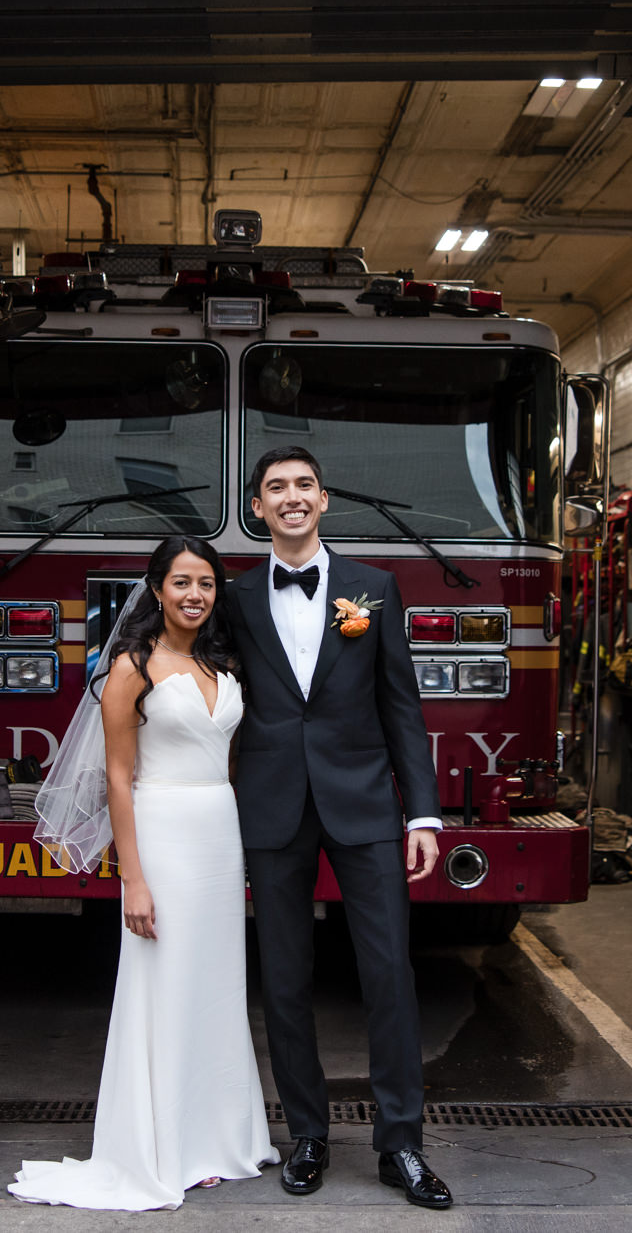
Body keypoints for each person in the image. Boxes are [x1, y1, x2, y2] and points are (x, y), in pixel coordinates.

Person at [10, 538, 276, 1211]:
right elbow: (120, 778)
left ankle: (213, 1137)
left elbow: (232, 757)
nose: (196, 594)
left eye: (207, 583)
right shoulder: (130, 666)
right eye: (182, 581)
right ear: (157, 588)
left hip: (219, 836)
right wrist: (133, 878)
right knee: (164, 982)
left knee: (214, 983)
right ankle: (160, 1146)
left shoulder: (221, 660)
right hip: (162, 833)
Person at [224, 448, 453, 1210]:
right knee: (285, 981)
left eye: (302, 487)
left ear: (323, 500)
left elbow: (402, 707)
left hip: (364, 805)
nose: (290, 499)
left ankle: (402, 1145)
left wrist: (421, 810)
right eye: (275, 489)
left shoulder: (374, 590)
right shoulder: (236, 599)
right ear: (257, 507)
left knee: (389, 974)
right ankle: (309, 1135)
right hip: (271, 807)